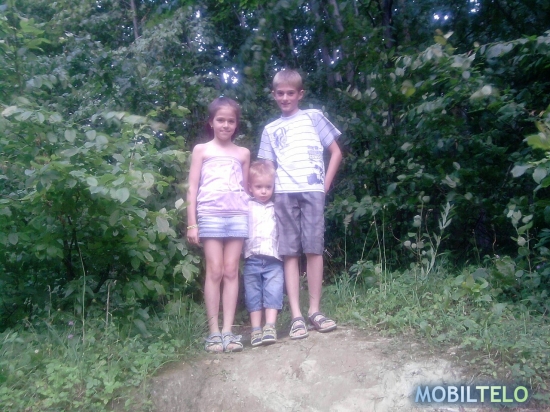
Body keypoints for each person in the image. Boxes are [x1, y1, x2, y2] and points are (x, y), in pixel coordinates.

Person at [258, 69, 343, 340]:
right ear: (274, 95)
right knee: (290, 253)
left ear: (300, 94)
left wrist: (325, 185)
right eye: (280, 93)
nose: (285, 98)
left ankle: (314, 311)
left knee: (314, 249)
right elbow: (267, 169)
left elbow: (336, 152)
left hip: (313, 191)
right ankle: (296, 315)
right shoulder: (270, 129)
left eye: (290, 93)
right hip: (284, 194)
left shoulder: (313, 117)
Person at [187, 97, 250, 353]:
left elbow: (246, 189)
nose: (225, 125)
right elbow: (192, 187)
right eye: (220, 120)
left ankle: (228, 331)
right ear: (211, 122)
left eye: (230, 121)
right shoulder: (201, 150)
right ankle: (213, 332)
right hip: (210, 215)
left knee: (231, 271)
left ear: (236, 124)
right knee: (214, 271)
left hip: (237, 215)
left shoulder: (243, 153)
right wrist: (192, 224)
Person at [243, 160, 283, 347]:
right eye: (259, 187)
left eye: (268, 187)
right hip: (251, 258)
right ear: (250, 187)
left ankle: (270, 326)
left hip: (274, 259)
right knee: (253, 294)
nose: (264, 191)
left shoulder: (277, 207)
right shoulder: (246, 206)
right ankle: (255, 329)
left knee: (273, 292)